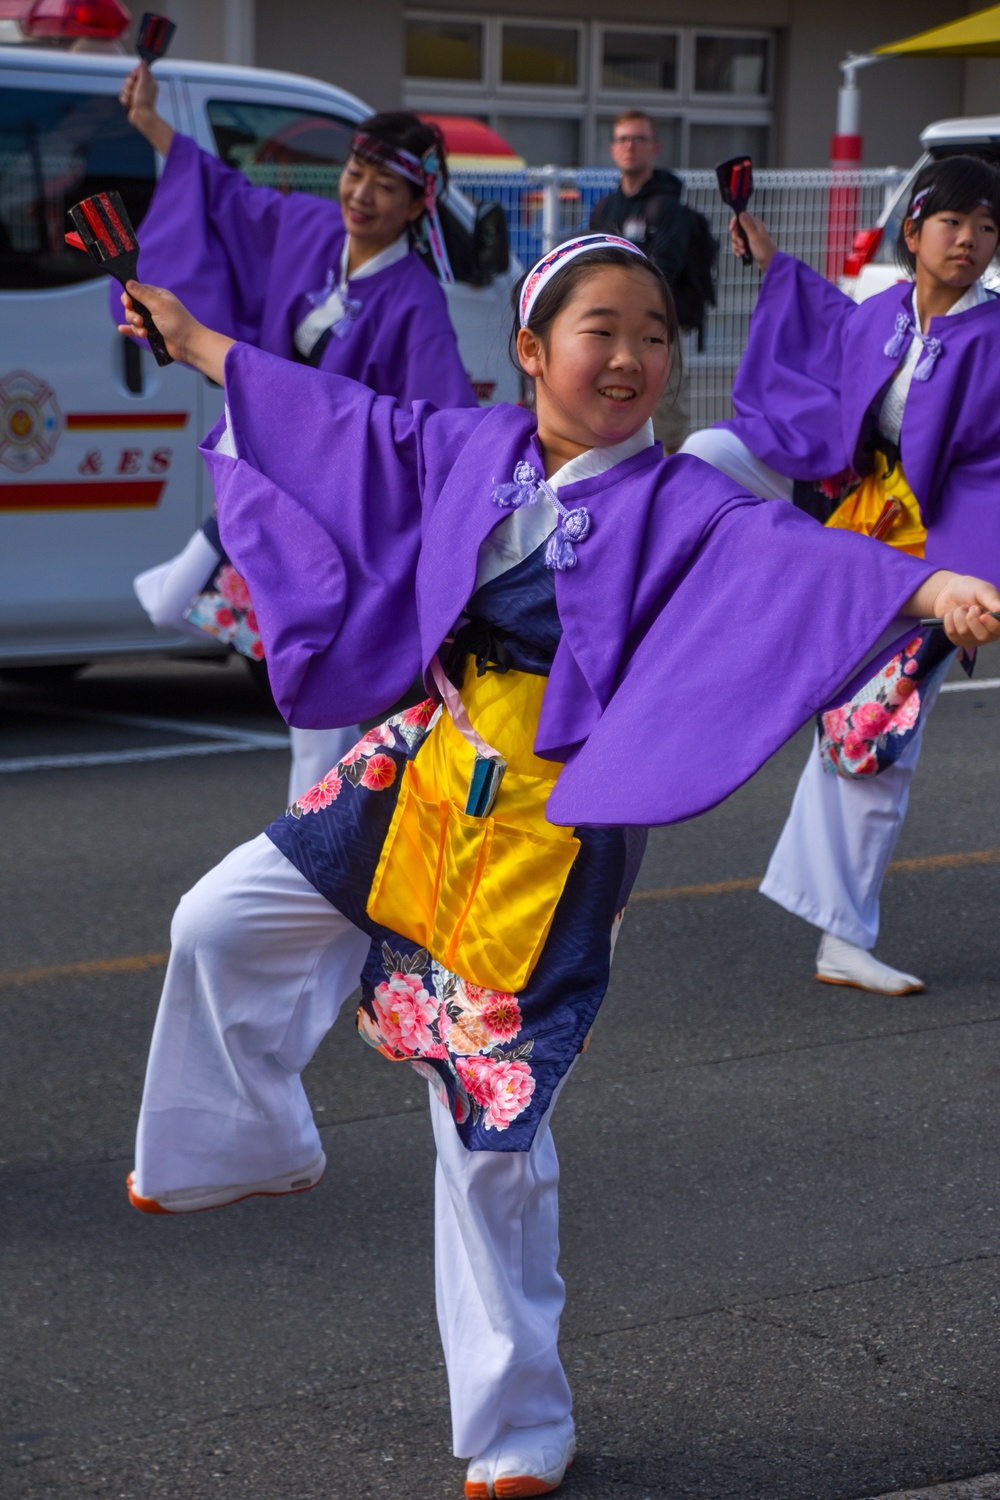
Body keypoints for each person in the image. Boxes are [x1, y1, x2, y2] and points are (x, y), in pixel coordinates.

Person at [116, 232, 1000, 1499]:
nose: (634, 356)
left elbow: (794, 559)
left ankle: (520, 1421)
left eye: (654, 332)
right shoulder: (469, 446)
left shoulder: (684, 498)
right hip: (423, 763)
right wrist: (197, 339)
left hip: (555, 823)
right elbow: (345, 421)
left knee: (489, 1132)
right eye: (603, 330)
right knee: (214, 919)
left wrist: (926, 591)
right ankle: (246, 1140)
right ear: (531, 351)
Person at [680, 155, 1000, 995]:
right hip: (847, 507)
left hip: (929, 550)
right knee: (707, 456)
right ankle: (696, 592)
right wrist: (773, 260)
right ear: (914, 230)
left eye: (987, 228)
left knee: (875, 732)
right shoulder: (883, 312)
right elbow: (823, 333)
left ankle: (842, 938)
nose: (968, 240)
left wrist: (977, 583)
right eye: (952, 223)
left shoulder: (995, 336)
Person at [118, 61, 477, 800]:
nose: (360, 194)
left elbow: (446, 430)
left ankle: (313, 851)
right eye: (354, 172)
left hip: (340, 512)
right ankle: (334, 770)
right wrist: (153, 123)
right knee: (165, 600)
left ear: (417, 205)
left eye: (385, 186)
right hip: (266, 475)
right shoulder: (309, 226)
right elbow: (226, 195)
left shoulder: (417, 303)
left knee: (316, 725)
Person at [589, 110, 717, 450]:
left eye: (638, 138)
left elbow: (666, 269)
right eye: (622, 139)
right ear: (613, 149)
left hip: (658, 332)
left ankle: (669, 494)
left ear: (655, 147)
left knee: (664, 422)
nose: (629, 146)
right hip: (609, 331)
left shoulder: (669, 208)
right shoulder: (605, 209)